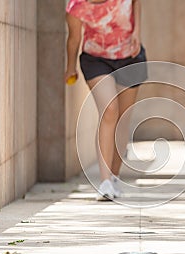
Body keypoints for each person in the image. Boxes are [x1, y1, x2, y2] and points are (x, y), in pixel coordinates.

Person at [65, 0, 147, 200]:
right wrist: (70, 67)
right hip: (96, 60)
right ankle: (104, 182)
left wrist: (136, 32)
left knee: (123, 118)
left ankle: (114, 177)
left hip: (130, 57)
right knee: (110, 110)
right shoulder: (76, 7)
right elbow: (74, 38)